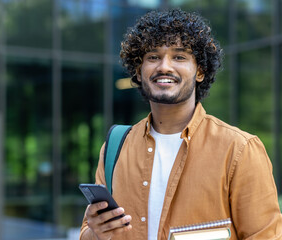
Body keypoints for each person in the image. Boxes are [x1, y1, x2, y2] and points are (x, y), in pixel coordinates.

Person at [79, 8, 282, 240]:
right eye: (153, 57)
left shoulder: (240, 150)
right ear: (139, 70)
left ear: (200, 72)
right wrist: (95, 233)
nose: (164, 67)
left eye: (179, 57)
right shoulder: (115, 148)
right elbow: (88, 233)